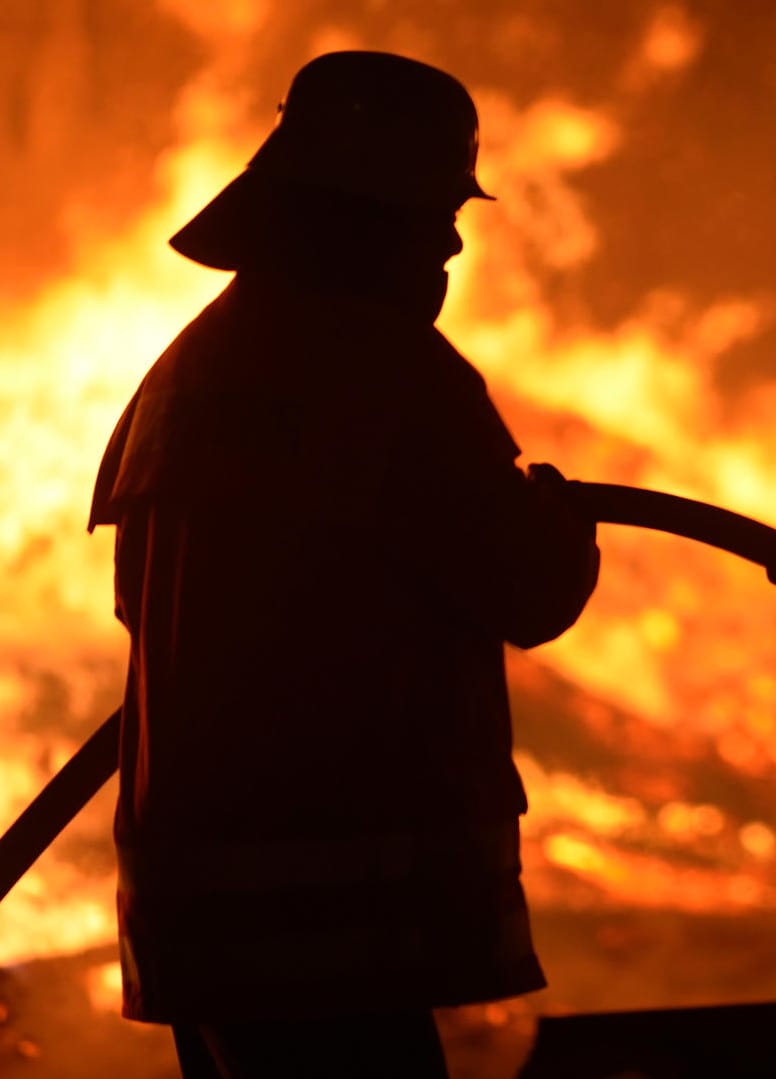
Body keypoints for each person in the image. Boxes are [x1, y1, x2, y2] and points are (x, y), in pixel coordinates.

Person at [86, 51, 600, 1077]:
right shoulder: (384, 375)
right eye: (432, 213)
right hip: (331, 921)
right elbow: (525, 588)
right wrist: (560, 522)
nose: (451, 241)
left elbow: (138, 606)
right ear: (371, 218)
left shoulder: (185, 377)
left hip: (200, 913)